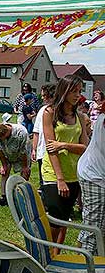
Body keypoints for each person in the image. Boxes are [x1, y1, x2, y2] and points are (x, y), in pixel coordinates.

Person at [41, 75, 88, 255]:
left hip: (73, 173)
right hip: (54, 173)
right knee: (54, 220)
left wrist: (65, 145)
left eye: (80, 91)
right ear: (64, 91)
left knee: (64, 219)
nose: (78, 95)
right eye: (74, 91)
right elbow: (50, 147)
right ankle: (44, 255)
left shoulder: (80, 117)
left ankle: (56, 255)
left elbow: (84, 148)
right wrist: (60, 179)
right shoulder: (49, 112)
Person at [77, 108, 105, 255]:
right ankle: (84, 271)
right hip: (95, 176)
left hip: (95, 172)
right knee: (93, 228)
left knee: (97, 225)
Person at [0, 122, 31, 206]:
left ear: (6, 132)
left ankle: (21, 197)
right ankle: (4, 198)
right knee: (4, 173)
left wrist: (25, 166)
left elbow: (24, 152)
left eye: (1, 138)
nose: (0, 139)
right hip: (6, 153)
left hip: (21, 154)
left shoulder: (21, 132)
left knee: (25, 173)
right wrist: (4, 165)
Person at [31, 84, 56, 189]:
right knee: (44, 181)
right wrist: (34, 149)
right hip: (43, 151)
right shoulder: (43, 110)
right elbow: (36, 132)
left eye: (44, 95)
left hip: (56, 149)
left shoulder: (60, 110)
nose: (42, 98)